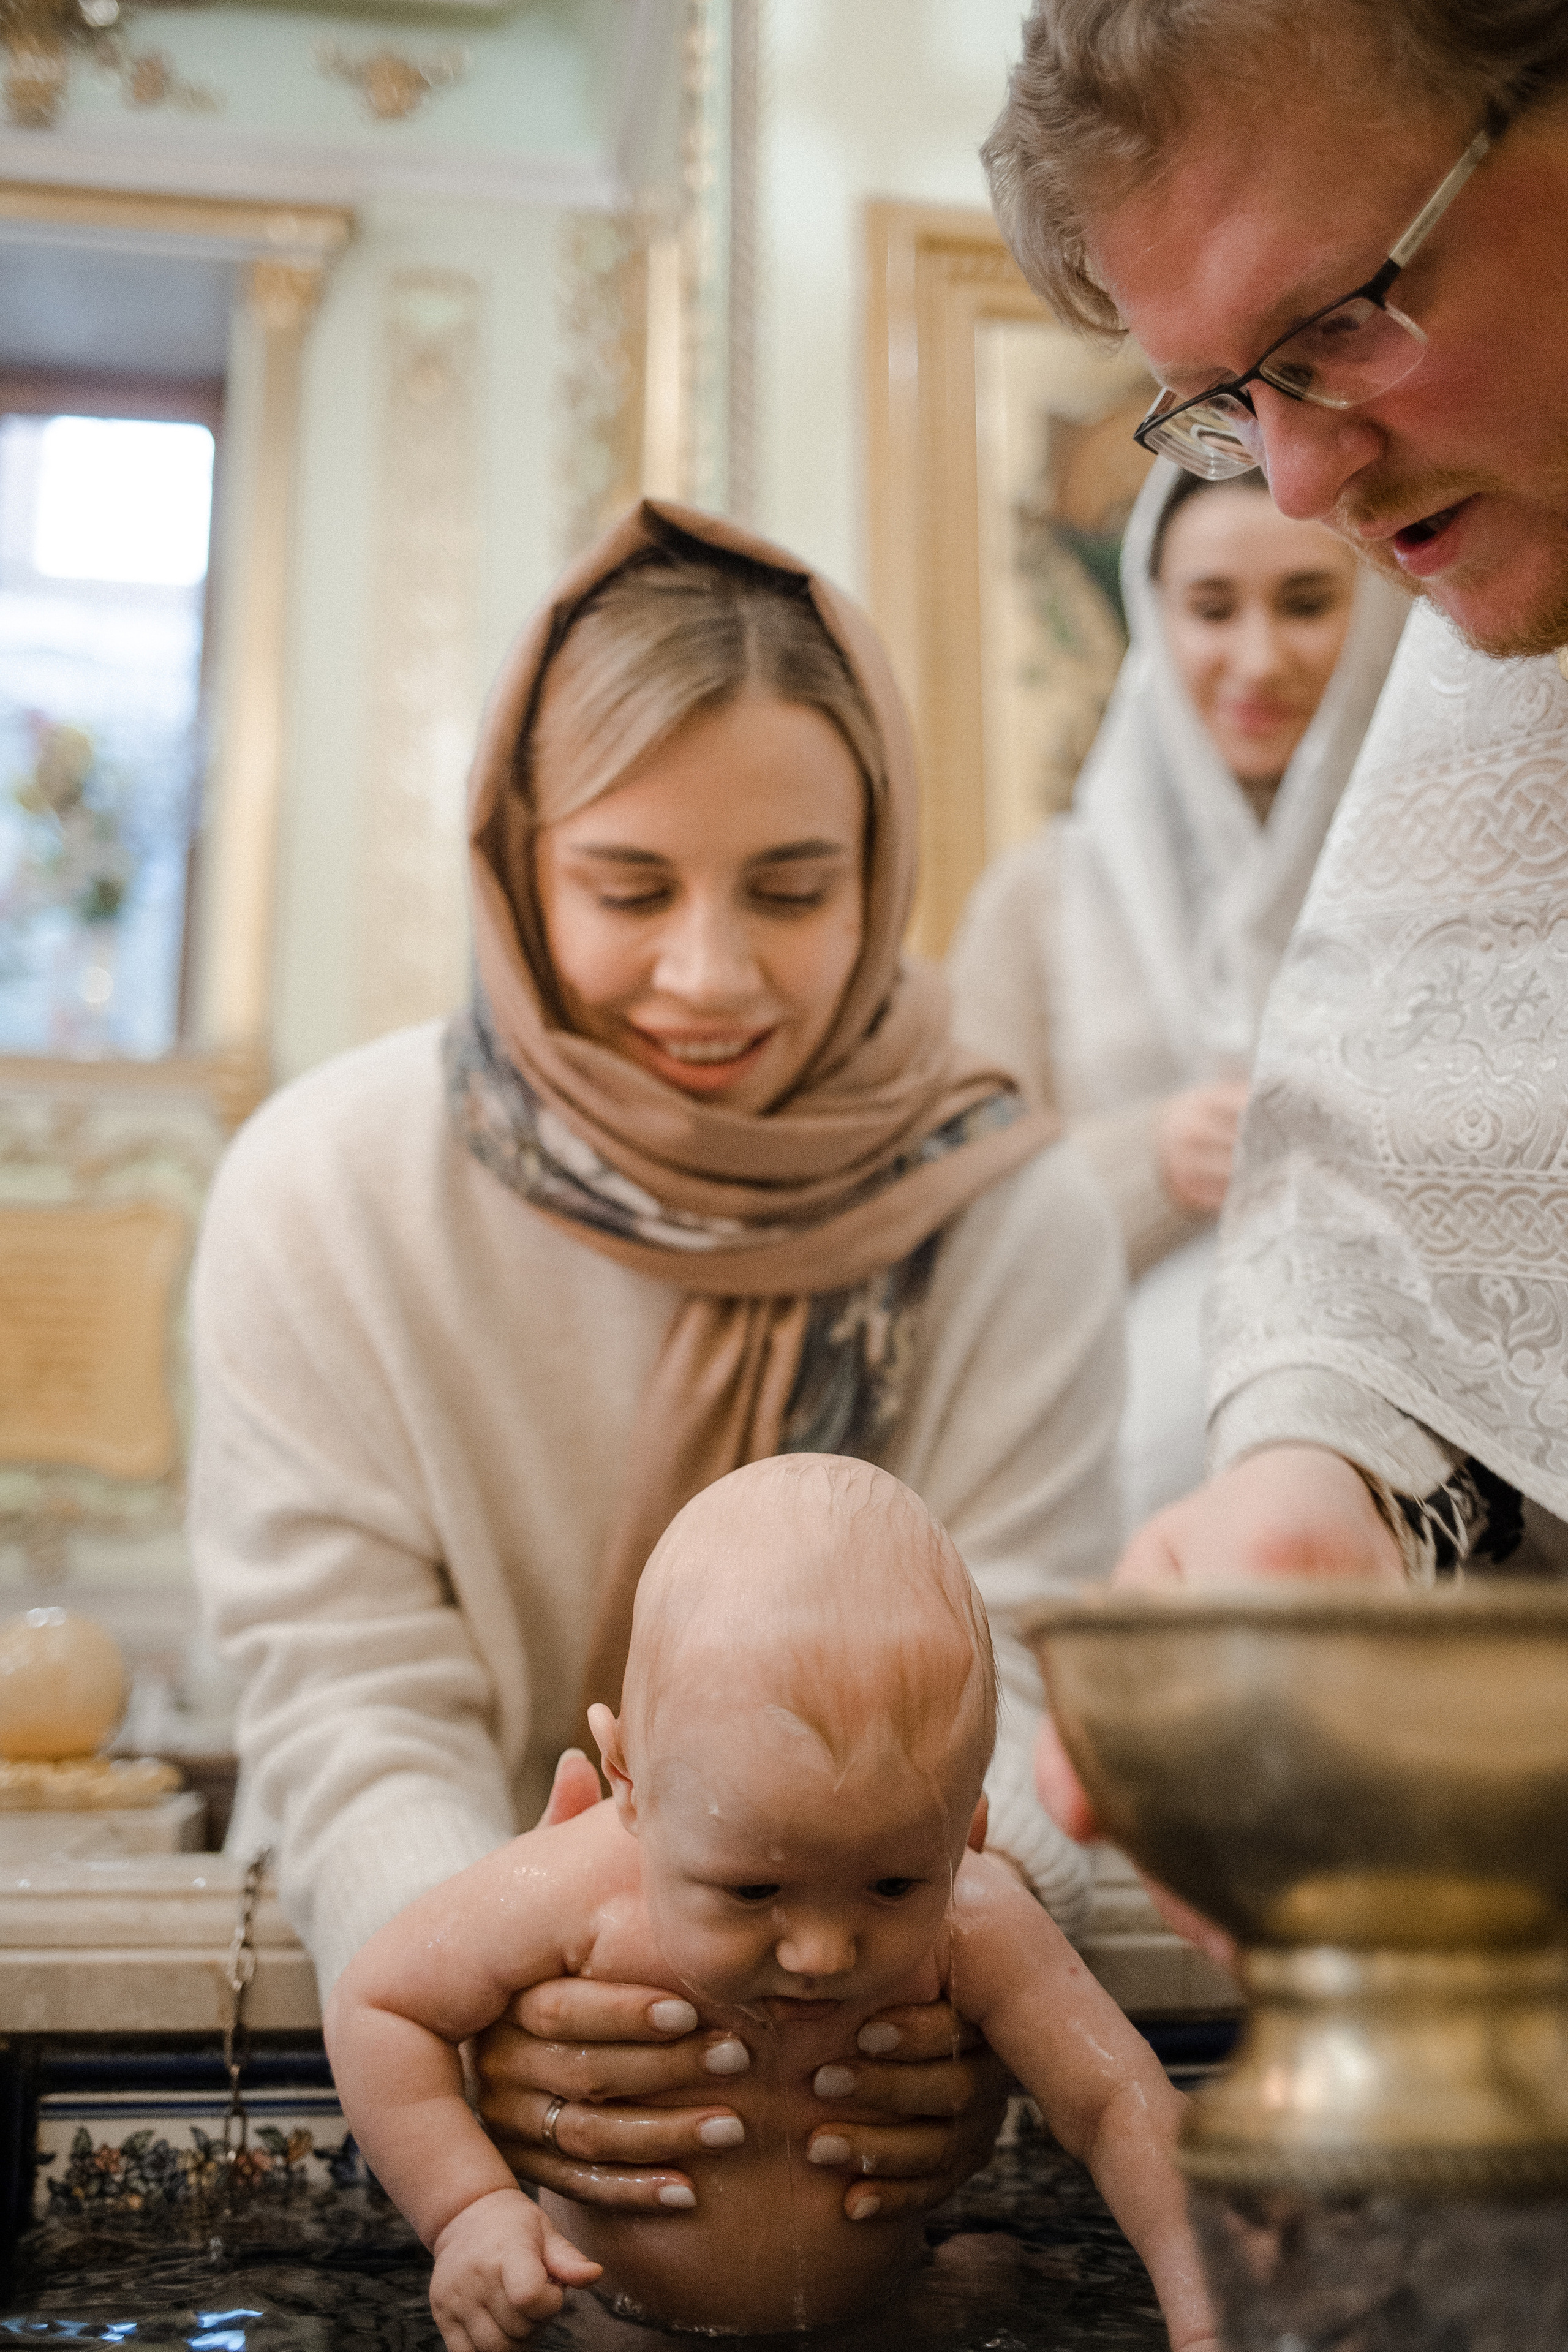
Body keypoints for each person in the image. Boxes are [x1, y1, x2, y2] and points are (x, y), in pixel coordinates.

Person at [193, 501, 1126, 2225]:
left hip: (880, 2054)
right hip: (466, 2045)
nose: (712, 975)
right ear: (519, 866)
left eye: (793, 889)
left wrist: (930, 1970)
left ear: (885, 863)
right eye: (629, 887)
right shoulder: (323, 1196)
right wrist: (517, 1984)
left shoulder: (1010, 1218)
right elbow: (348, 1702)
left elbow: (1044, 1694)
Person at [978, 0, 1568, 1835]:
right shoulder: (1498, 669)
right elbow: (1402, 1198)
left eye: (1327, 332)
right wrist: (1323, 1482)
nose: (1304, 486)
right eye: (1235, 404)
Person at [325, 1456, 1215, 2350]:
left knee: (984, 2288)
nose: (822, 1952)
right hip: (604, 2322)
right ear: (628, 1785)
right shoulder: (573, 1892)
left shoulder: (973, 1919)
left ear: (969, 1830)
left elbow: (1119, 2104)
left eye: (894, 1883)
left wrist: (1211, 2320)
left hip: (885, 2320)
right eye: (754, 1890)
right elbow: (381, 2004)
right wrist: (469, 2212)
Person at [948, 459, 1405, 1522]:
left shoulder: (1440, 873)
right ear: (1155, 621)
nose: (1259, 658)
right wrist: (1154, 1158)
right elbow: (951, 1214)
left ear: (1376, 608)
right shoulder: (1038, 896)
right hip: (1090, 1488)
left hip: (1406, 1505)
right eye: (1211, 608)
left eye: (1306, 602)